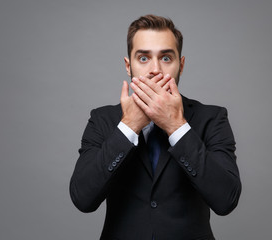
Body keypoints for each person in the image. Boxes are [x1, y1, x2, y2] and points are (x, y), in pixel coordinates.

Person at [70, 14, 241, 240]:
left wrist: (176, 126)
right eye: (143, 58)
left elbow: (226, 200)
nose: (155, 69)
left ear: (180, 65)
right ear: (128, 65)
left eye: (166, 58)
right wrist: (128, 126)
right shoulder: (103, 119)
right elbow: (83, 198)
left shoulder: (212, 118)